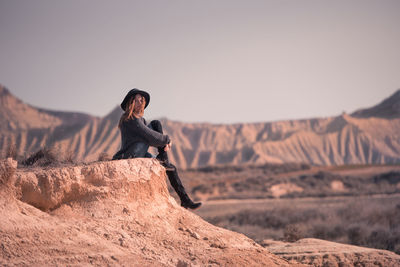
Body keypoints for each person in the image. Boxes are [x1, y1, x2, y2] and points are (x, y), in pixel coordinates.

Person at [113, 88, 201, 210]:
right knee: (152, 132)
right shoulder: (130, 119)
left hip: (140, 152)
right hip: (130, 155)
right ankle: (164, 160)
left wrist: (162, 141)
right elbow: (149, 135)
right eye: (136, 100)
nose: (139, 103)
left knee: (171, 167)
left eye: (141, 101)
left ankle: (185, 200)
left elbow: (150, 136)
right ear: (130, 103)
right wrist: (167, 140)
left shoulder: (140, 120)